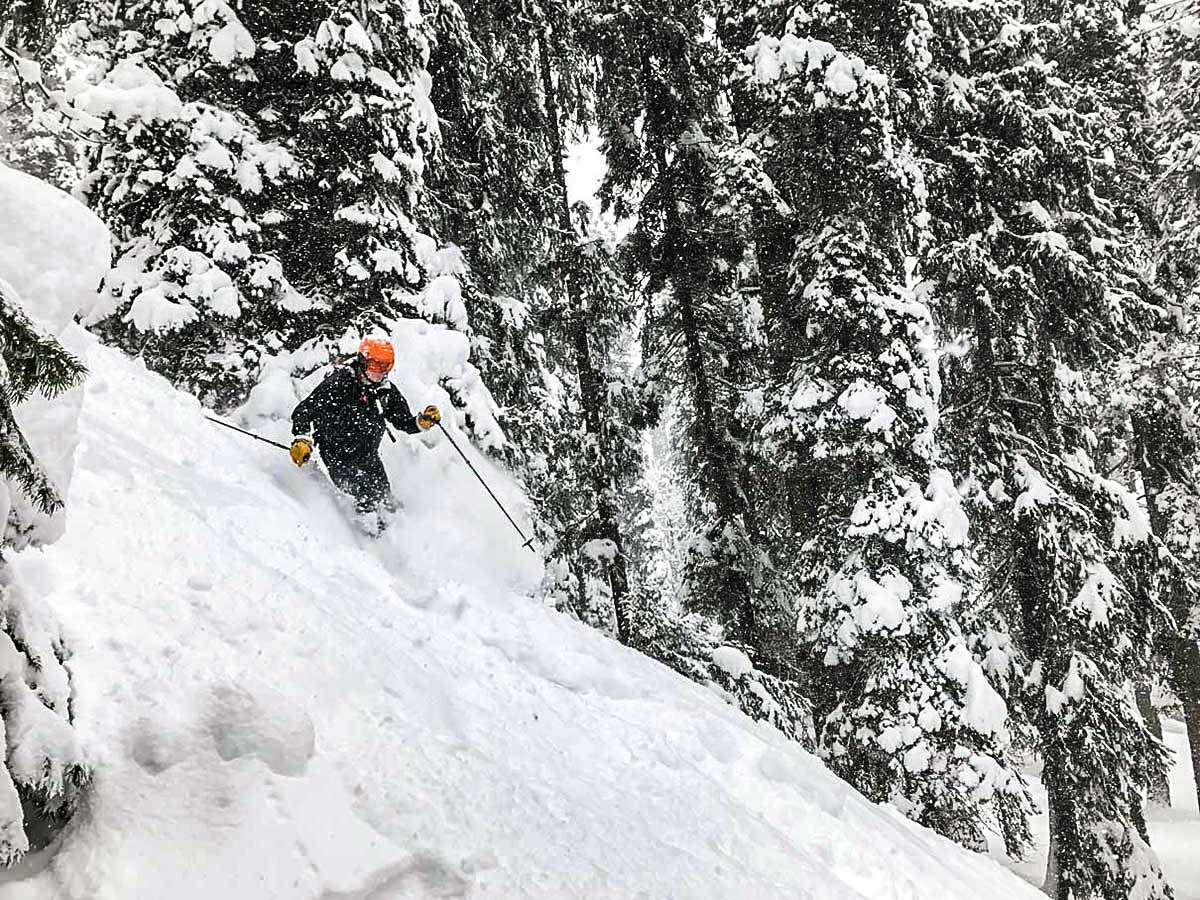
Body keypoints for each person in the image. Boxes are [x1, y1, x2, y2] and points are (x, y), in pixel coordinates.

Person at [289, 337, 440, 526]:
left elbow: (403, 422)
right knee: (365, 495)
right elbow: (304, 411)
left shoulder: (385, 391)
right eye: (374, 366)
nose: (379, 373)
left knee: (386, 499)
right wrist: (302, 439)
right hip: (337, 454)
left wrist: (421, 422)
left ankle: (403, 532)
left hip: (368, 455)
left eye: (385, 367)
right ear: (362, 361)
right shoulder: (340, 383)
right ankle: (371, 541)